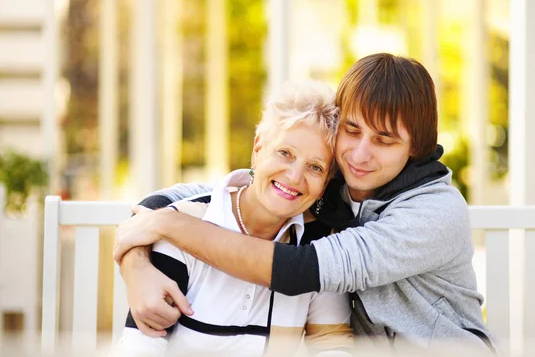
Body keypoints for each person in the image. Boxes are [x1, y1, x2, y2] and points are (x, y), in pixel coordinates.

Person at [115, 54, 497, 353]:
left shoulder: (433, 212)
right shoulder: (332, 179)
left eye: (383, 140)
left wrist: (169, 226)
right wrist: (136, 265)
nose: (360, 154)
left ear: (415, 147)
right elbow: (199, 194)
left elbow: (299, 270)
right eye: (352, 130)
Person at [118, 82, 352, 356]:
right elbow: (141, 348)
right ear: (257, 150)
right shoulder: (183, 226)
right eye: (285, 153)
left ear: (325, 183)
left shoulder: (318, 244)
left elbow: (331, 344)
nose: (294, 177)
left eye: (315, 167)